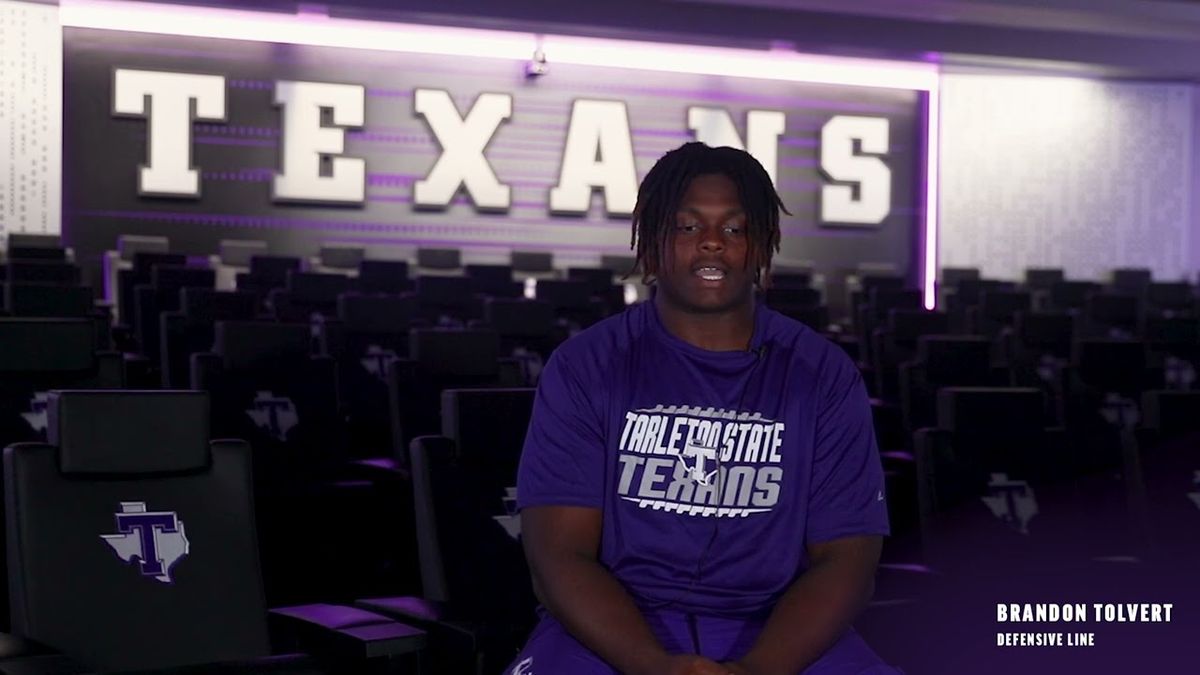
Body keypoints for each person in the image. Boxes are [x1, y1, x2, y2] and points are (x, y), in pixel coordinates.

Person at [508, 142, 898, 675]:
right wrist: (651, 666)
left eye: (734, 229)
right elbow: (558, 558)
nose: (713, 242)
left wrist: (759, 671)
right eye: (687, 227)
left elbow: (848, 561)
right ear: (651, 244)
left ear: (763, 246)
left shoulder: (824, 375)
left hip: (781, 632)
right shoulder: (585, 366)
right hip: (612, 632)